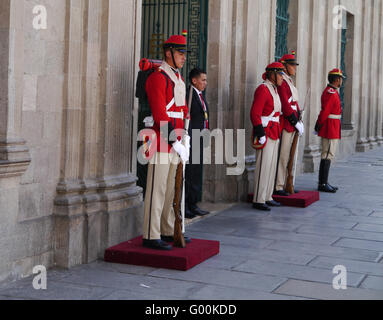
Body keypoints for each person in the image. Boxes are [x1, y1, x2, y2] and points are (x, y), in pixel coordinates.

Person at [142, 32, 191, 250]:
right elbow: (160, 114)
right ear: (168, 53)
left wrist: (184, 138)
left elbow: (183, 110)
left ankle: (168, 229)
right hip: (161, 139)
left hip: (178, 138)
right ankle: (151, 234)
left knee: (172, 189)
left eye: (184, 53)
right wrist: (174, 139)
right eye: (180, 53)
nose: (183, 57)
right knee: (157, 189)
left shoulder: (178, 78)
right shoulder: (158, 77)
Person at [251, 62, 285, 211]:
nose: (282, 78)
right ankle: (259, 198)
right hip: (265, 131)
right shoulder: (263, 89)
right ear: (273, 74)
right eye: (281, 74)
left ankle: (267, 196)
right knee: (263, 166)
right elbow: (255, 113)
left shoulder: (274, 90)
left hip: (274, 130)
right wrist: (260, 132)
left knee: (271, 166)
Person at [274, 52, 304, 197]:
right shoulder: (283, 81)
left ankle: (288, 183)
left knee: (292, 156)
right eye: (292, 65)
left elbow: (294, 102)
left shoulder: (289, 81)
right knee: (284, 155)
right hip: (287, 122)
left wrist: (299, 119)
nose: (294, 68)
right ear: (285, 67)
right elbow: (285, 105)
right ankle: (279, 185)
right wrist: (294, 121)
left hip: (293, 122)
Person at [185, 68, 210, 219]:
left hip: (200, 138)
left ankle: (193, 203)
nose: (205, 83)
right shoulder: (189, 95)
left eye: (206, 80)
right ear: (194, 80)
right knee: (189, 173)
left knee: (196, 173)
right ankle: (186, 205)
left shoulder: (200, 95)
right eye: (203, 80)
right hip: (192, 139)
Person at [315, 68, 345, 193]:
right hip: (329, 127)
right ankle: (322, 183)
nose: (341, 81)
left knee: (328, 154)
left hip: (333, 125)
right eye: (341, 79)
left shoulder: (332, 91)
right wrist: (319, 124)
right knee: (327, 154)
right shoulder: (330, 93)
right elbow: (325, 111)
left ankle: (324, 182)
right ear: (337, 79)